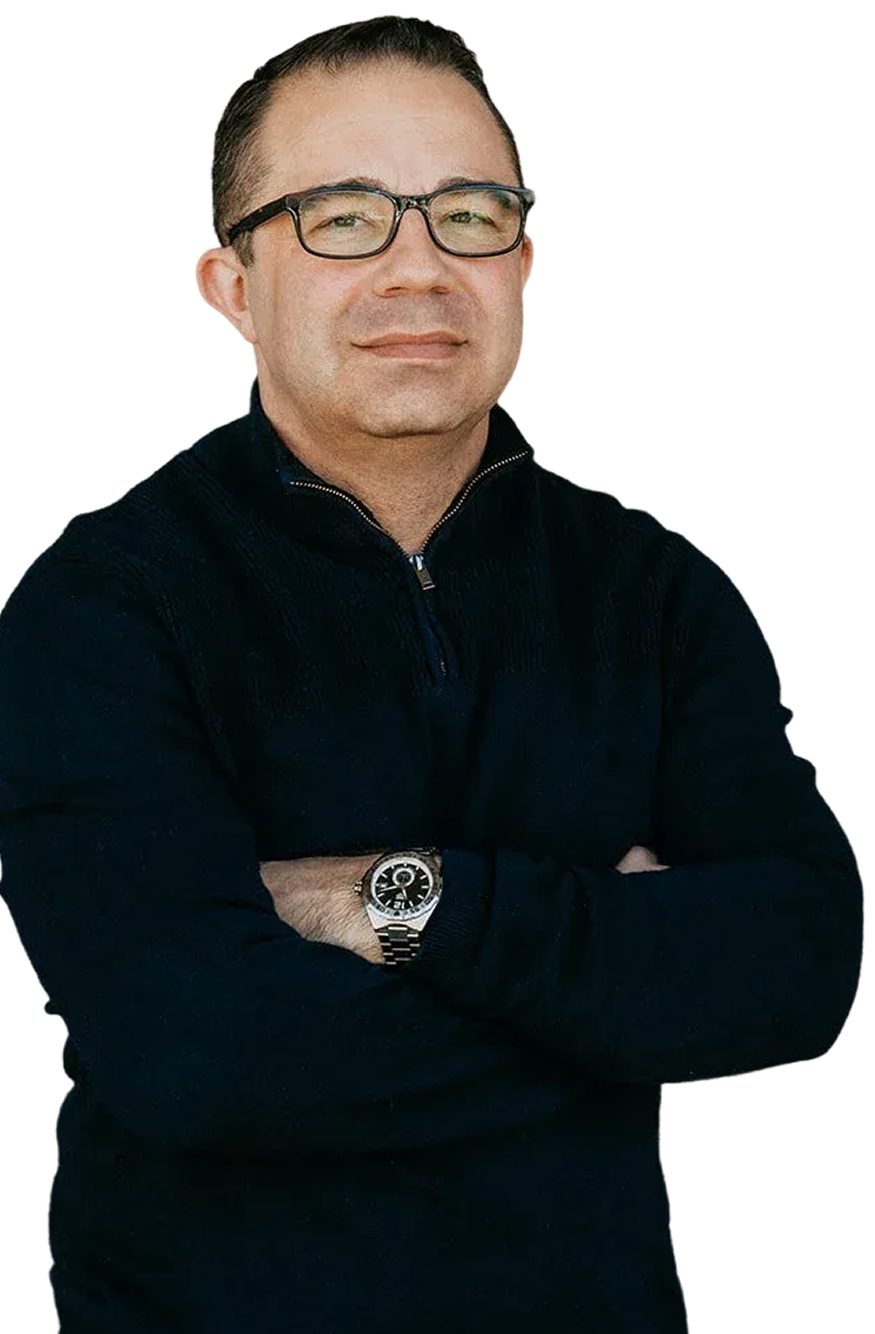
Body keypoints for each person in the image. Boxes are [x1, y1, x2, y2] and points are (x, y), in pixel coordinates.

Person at [0, 16, 864, 1334]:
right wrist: (616, 984)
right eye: (343, 219)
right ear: (232, 286)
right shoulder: (103, 601)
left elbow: (799, 965)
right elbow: (194, 1055)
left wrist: (408, 904)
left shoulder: (655, 590)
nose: (418, 268)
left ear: (525, 263)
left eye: (468, 215)